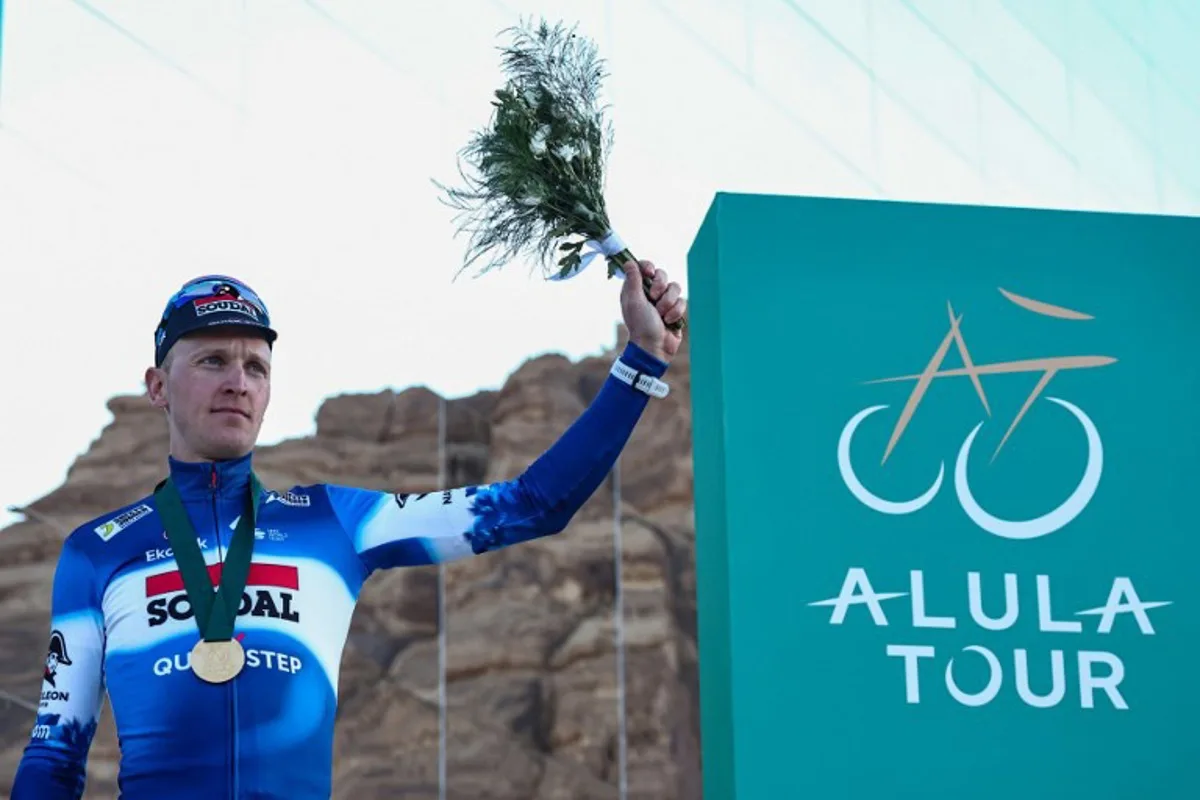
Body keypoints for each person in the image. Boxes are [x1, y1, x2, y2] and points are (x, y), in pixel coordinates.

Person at [12, 261, 686, 799]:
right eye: (213, 361)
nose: (238, 383)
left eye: (256, 367)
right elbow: (54, 751)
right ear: (158, 385)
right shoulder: (98, 553)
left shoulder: (333, 520)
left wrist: (641, 361)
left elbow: (534, 504)